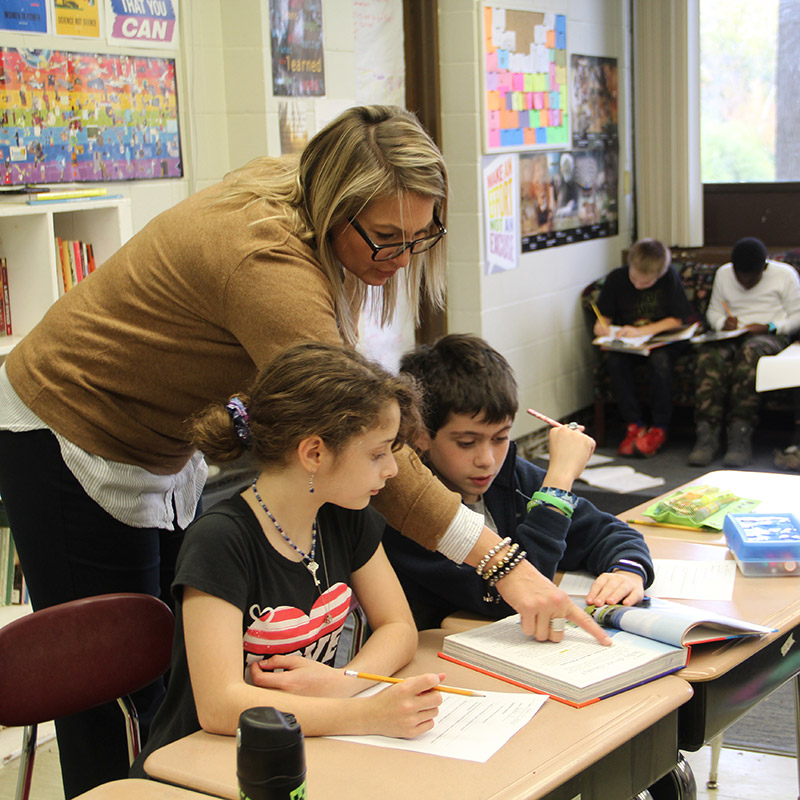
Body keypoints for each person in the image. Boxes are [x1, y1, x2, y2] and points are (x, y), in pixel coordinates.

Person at [0, 105, 605, 797]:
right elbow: (377, 450)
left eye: (421, 235)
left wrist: (346, 689)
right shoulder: (267, 267)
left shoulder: (312, 191)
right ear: (335, 207)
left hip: (159, 443)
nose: (403, 259)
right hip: (71, 430)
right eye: (384, 238)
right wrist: (504, 563)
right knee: (116, 697)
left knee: (175, 675)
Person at [130, 343, 446, 774]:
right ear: (314, 453)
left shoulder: (342, 515)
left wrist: (343, 682)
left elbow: (399, 627)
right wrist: (367, 714)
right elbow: (219, 706)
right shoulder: (220, 540)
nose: (391, 469)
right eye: (377, 453)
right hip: (207, 763)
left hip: (299, 747)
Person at [382, 334, 654, 630]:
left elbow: (607, 532)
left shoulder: (510, 474)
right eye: (467, 442)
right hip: (439, 655)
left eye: (500, 438)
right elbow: (513, 595)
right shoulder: (410, 509)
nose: (486, 459)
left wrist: (627, 573)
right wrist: (558, 484)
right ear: (421, 435)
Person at [688, 237, 800, 467]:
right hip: (732, 335)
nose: (745, 283)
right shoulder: (724, 273)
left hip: (770, 335)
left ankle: (740, 435)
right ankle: (706, 436)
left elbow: (796, 317)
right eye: (740, 277)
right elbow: (714, 312)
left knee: (750, 353)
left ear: (765, 267)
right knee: (709, 356)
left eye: (752, 278)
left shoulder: (785, 274)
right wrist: (722, 323)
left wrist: (769, 326)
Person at [593, 238, 691, 457]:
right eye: (635, 279)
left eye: (646, 284)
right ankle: (634, 424)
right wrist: (602, 326)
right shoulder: (617, 278)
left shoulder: (669, 279)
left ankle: (659, 427)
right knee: (616, 361)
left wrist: (642, 331)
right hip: (630, 344)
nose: (638, 285)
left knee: (660, 362)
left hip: (662, 341)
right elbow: (605, 315)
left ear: (659, 275)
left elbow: (677, 320)